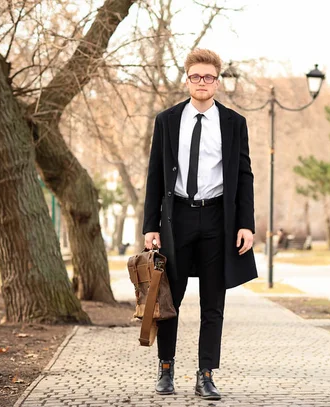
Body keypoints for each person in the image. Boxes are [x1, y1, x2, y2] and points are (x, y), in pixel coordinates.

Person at [142, 48, 257, 400]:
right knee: (168, 298)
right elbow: (155, 175)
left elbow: (244, 174)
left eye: (208, 77)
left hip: (217, 219)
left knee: (213, 302)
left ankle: (206, 374)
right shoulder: (167, 120)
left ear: (217, 82)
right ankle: (166, 368)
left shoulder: (234, 123)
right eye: (196, 76)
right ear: (187, 79)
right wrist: (151, 225)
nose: (202, 82)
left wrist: (246, 224)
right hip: (176, 216)